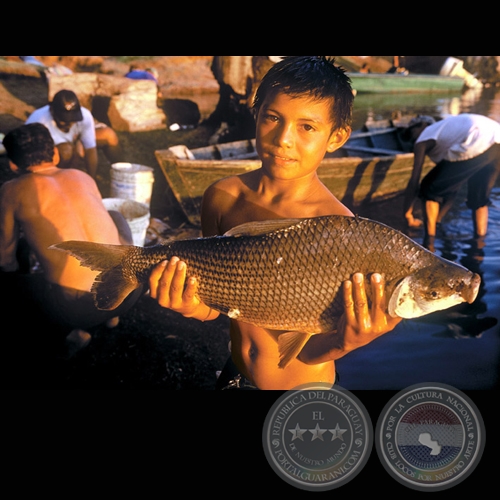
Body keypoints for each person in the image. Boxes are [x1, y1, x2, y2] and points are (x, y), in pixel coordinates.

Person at [148, 56, 402, 391]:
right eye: (272, 118)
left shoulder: (340, 231)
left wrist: (346, 342)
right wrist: (190, 306)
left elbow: (307, 351)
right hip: (234, 373)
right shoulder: (222, 196)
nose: (283, 138)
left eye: (306, 127)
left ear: (337, 137)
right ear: (256, 115)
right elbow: (218, 306)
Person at [0, 124, 143, 358]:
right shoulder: (82, 176)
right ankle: (112, 317)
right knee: (115, 216)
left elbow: (5, 260)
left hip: (75, 309)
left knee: (11, 272)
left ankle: (70, 335)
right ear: (55, 153)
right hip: (130, 291)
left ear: (13, 165)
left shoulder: (11, 191)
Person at [403, 113, 500, 248]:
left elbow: (414, 181)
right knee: (479, 198)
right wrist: (439, 218)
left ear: (423, 125)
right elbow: (452, 188)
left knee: (429, 188)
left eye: (412, 130)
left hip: (476, 139)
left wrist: (407, 215)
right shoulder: (447, 132)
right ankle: (479, 243)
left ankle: (429, 243)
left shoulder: (424, 136)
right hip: (497, 141)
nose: (412, 137)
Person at [25, 90, 122, 180]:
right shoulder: (38, 122)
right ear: (52, 111)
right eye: (64, 121)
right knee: (66, 150)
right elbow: (32, 160)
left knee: (108, 135)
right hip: (49, 156)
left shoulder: (85, 116)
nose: (70, 124)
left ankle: (122, 173)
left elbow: (90, 150)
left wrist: (91, 181)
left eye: (73, 120)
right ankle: (61, 182)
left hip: (74, 143)